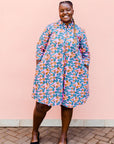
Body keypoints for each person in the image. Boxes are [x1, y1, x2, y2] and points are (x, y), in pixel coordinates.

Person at [31, 1, 90, 144]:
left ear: (73, 11)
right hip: (50, 74)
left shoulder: (79, 31)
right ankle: (34, 131)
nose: (65, 13)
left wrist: (84, 69)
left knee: (67, 105)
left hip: (72, 75)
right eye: (62, 10)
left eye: (68, 10)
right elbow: (40, 47)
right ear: (58, 11)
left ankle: (63, 136)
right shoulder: (51, 28)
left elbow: (85, 53)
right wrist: (41, 66)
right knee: (42, 105)